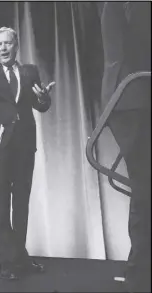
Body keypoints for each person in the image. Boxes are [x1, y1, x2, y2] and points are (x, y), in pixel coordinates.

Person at [0, 27, 54, 281]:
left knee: (21, 202)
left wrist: (43, 100)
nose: (4, 48)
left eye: (8, 43)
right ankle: (6, 260)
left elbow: (40, 105)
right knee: (0, 203)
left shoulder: (29, 71)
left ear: (16, 45)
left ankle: (19, 255)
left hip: (24, 144)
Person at [99, 2, 151, 292]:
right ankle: (139, 275)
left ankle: (140, 272)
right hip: (134, 97)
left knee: (145, 189)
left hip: (133, 97)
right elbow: (141, 43)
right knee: (146, 189)